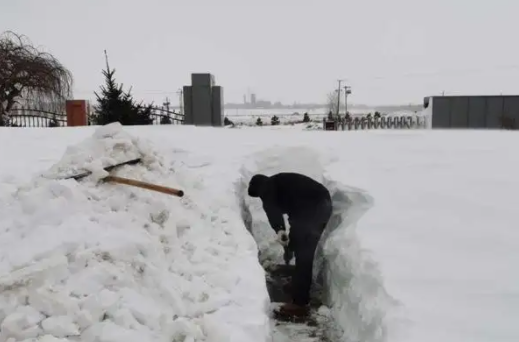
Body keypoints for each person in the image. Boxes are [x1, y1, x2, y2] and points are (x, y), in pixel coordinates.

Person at [248, 172, 332, 318]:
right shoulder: (282, 185)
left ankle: (300, 304)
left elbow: (271, 209)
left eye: (259, 195)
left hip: (314, 208)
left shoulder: (268, 187)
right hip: (319, 206)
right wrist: (291, 241)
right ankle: (299, 286)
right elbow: (296, 215)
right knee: (302, 246)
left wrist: (279, 228)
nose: (262, 197)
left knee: (304, 253)